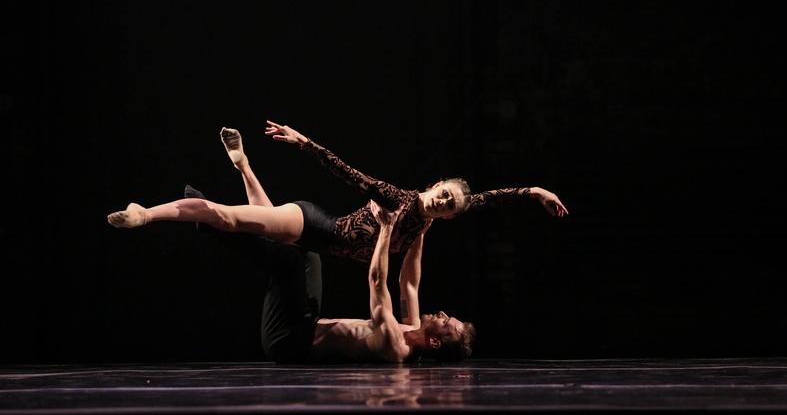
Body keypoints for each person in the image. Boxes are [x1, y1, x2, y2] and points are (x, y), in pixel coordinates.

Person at [107, 121, 569, 266]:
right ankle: (146, 213)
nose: (443, 201)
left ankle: (242, 164)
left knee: (258, 222)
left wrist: (533, 192)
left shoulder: (421, 230)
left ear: (447, 216)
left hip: (313, 244)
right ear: (433, 187)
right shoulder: (397, 198)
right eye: (443, 193)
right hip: (315, 224)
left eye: (449, 205)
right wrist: (304, 142)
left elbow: (484, 199)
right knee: (227, 218)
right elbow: (347, 172)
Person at [186, 185, 474, 363]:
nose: (442, 313)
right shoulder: (411, 327)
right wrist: (421, 230)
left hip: (288, 341)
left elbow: (377, 282)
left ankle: (211, 223)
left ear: (434, 342)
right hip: (306, 322)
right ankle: (238, 200)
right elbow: (409, 283)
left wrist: (386, 228)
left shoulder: (396, 347)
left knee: (290, 261)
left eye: (446, 321)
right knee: (306, 249)